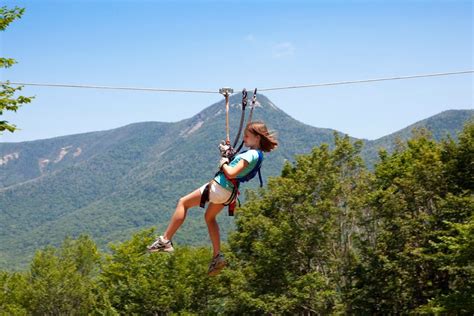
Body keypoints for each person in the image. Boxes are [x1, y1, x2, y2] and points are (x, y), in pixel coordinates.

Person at [147, 121, 278, 275]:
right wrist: (228, 155)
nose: (244, 139)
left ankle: (165, 240)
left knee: (183, 202)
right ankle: (217, 256)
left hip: (220, 187)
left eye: (247, 136)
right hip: (229, 193)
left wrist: (223, 161)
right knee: (209, 218)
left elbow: (230, 172)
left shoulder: (251, 154)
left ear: (257, 137)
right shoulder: (257, 155)